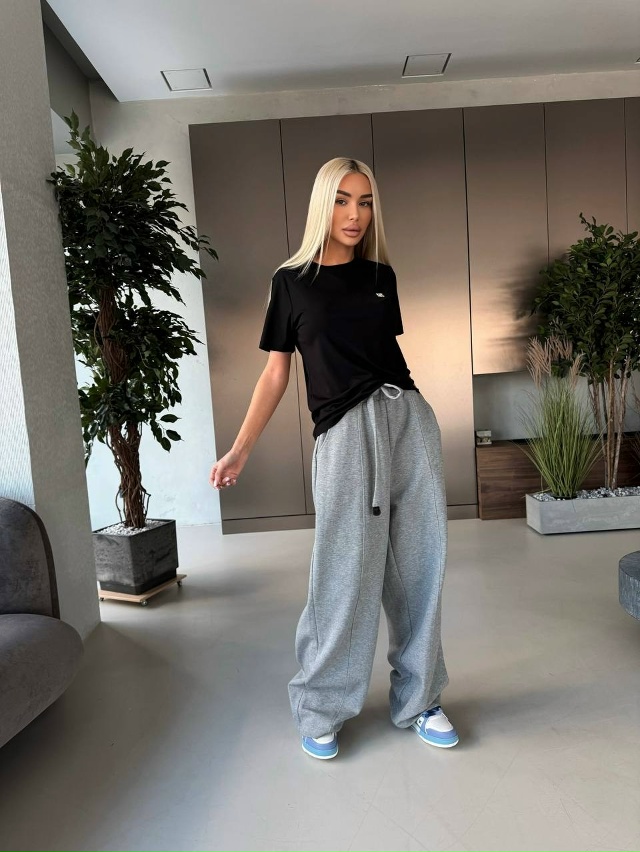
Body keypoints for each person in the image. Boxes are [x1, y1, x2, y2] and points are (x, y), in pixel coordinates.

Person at [209, 157, 458, 759]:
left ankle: (421, 699)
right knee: (344, 572)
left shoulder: (380, 275)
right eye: (343, 200)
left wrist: (415, 419)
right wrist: (240, 449)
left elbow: (384, 354)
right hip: (345, 434)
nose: (355, 214)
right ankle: (321, 705)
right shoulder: (291, 282)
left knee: (420, 567)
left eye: (365, 202)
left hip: (409, 421)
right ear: (324, 204)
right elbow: (276, 374)